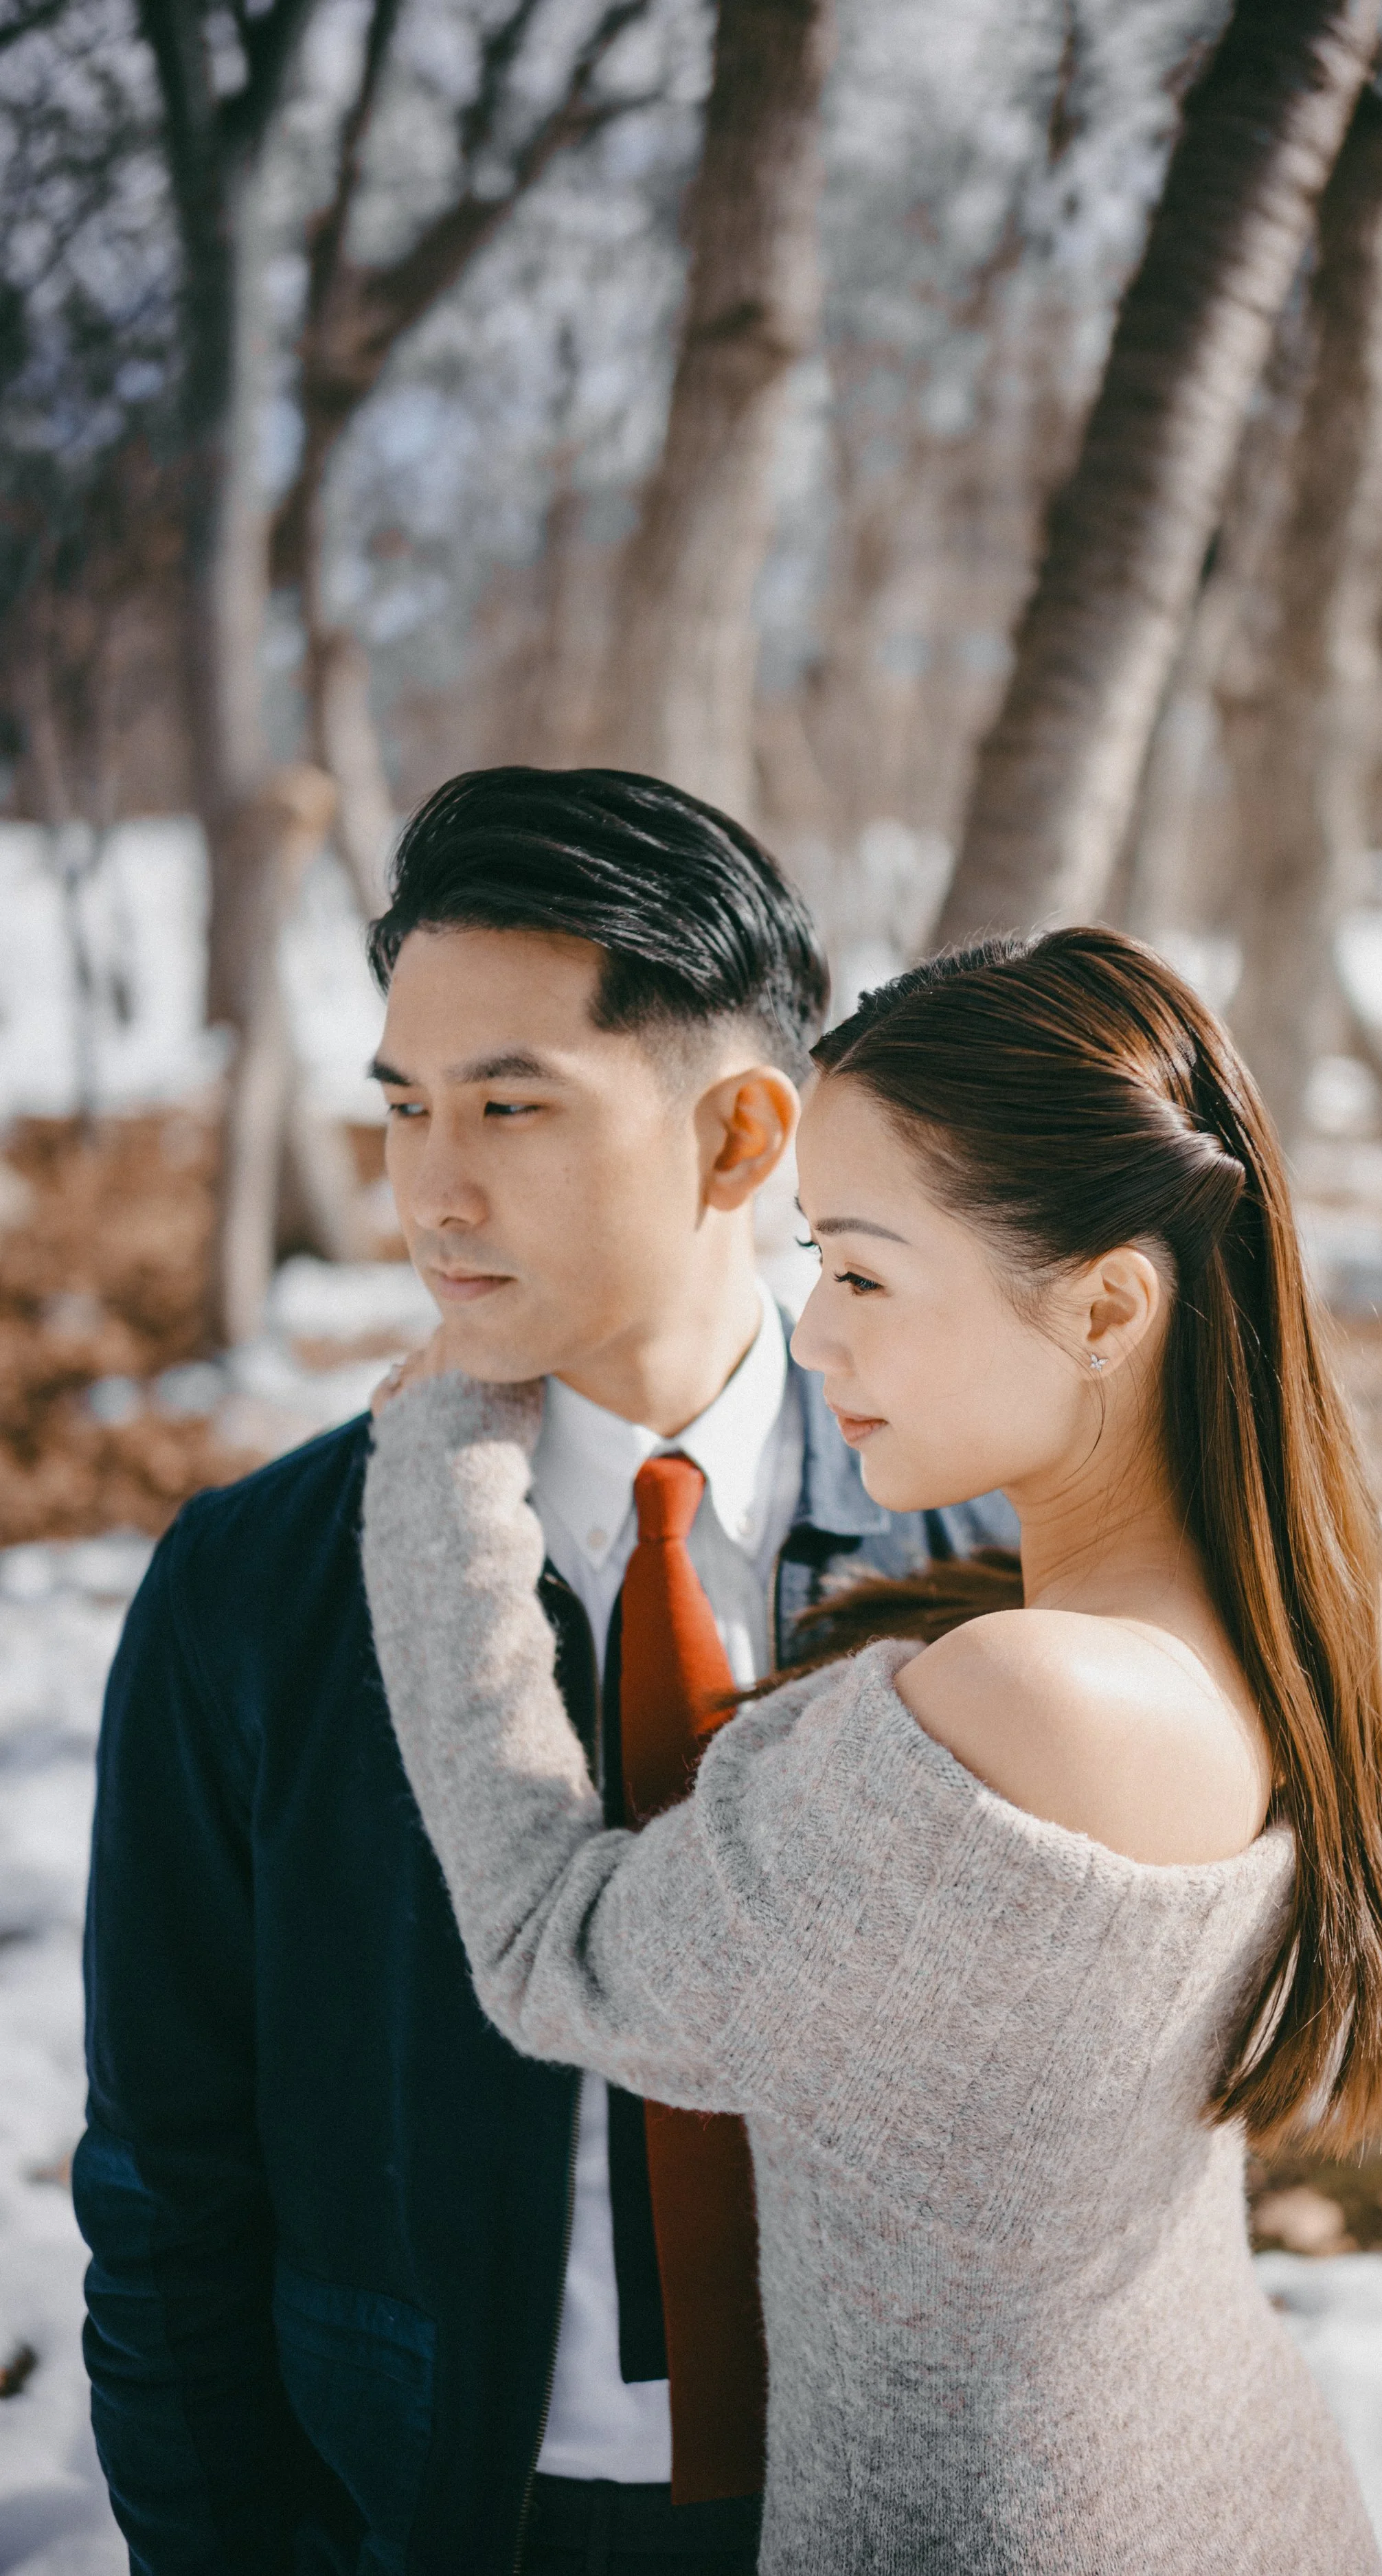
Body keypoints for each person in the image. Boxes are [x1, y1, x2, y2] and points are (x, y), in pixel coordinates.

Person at [361, 924, 1382, 2576]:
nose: (812, 1339)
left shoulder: (1017, 1710)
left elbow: (551, 1953)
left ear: (1103, 1307)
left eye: (861, 1273)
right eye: (808, 1267)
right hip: (1234, 2487)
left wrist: (438, 1443)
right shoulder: (1347, 1603)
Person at [74, 767, 1012, 2575]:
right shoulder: (252, 1592)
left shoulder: (979, 1558)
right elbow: (168, 2182)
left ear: (741, 1141)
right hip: (436, 2511)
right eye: (407, 1105)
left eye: (512, 1103)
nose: (430, 1187)